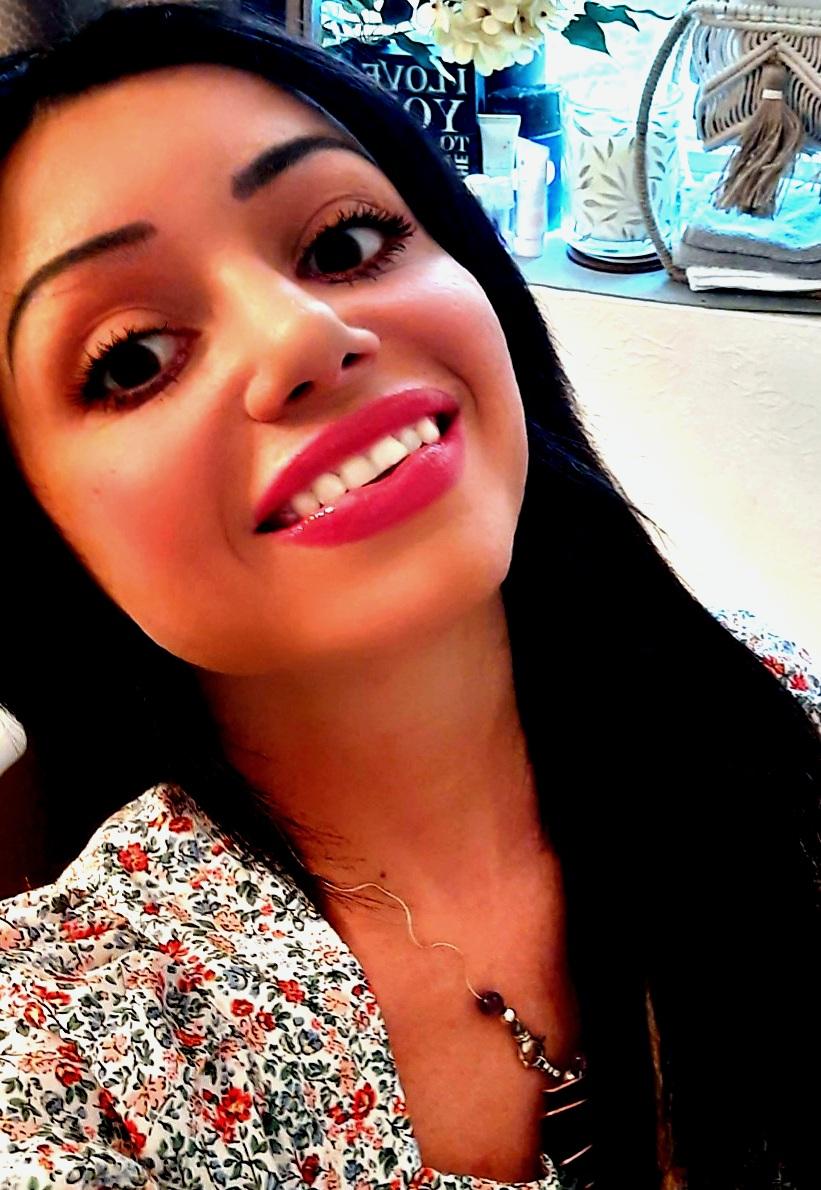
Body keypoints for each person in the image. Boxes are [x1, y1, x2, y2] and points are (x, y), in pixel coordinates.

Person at [0, 4, 818, 1189]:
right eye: (131, 358)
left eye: (343, 242)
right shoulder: (73, 1066)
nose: (305, 335)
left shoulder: (773, 719)